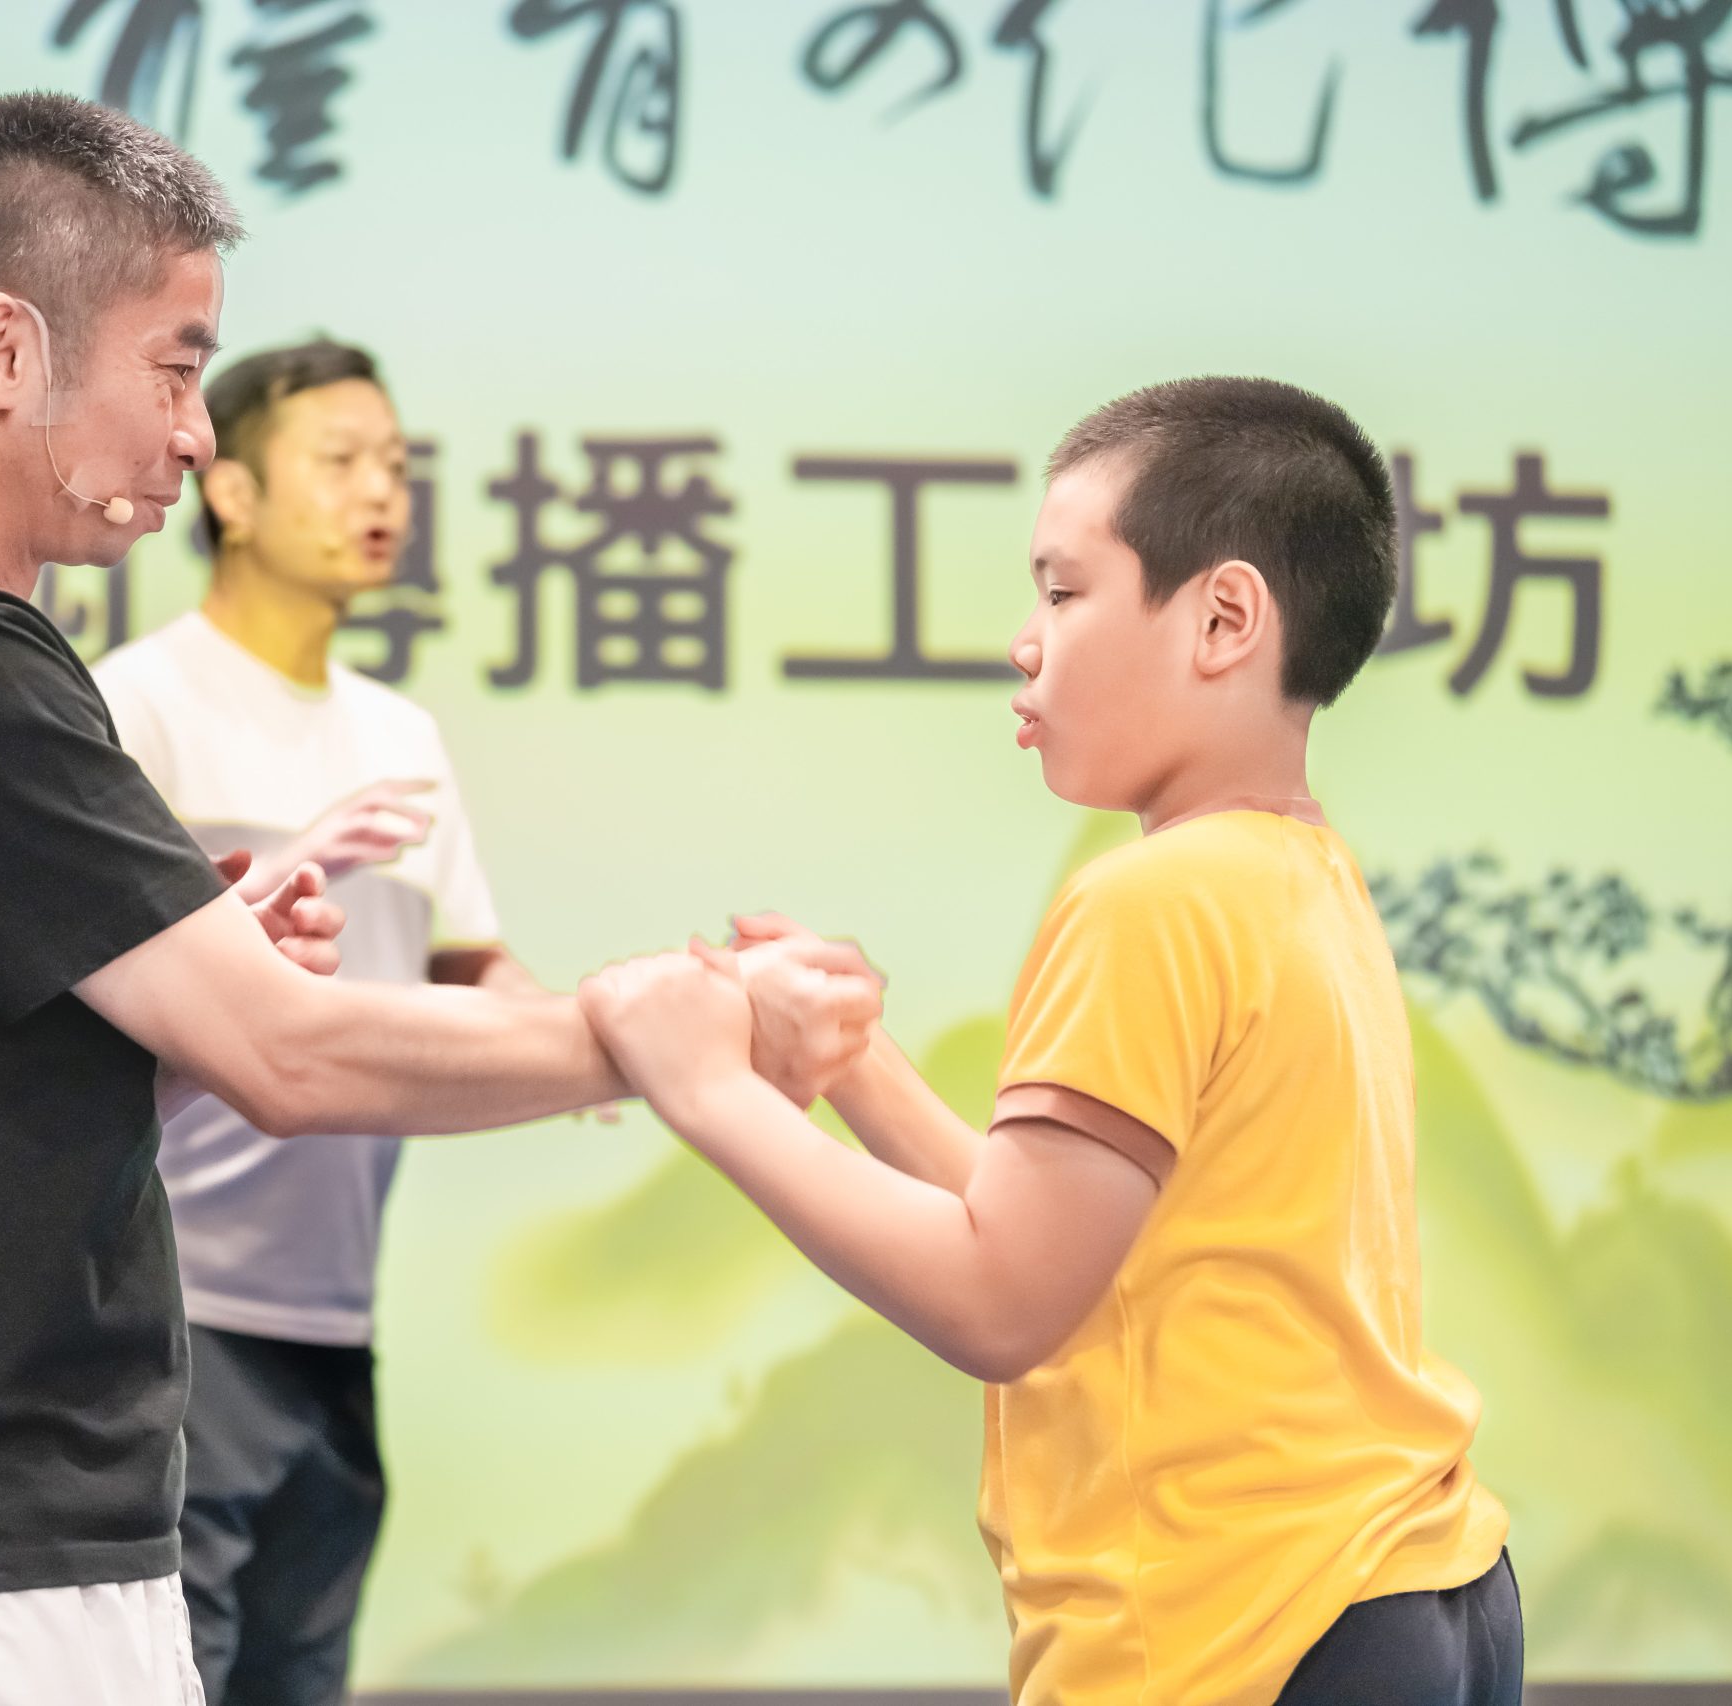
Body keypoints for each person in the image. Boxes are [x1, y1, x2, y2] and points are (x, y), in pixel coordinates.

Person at [0, 93, 878, 1706]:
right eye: (174, 369)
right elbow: (288, 1056)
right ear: (5, 349)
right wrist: (668, 1033)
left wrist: (179, 999)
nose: (194, 436)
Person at [580, 378, 1519, 1706]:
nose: (1026, 645)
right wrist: (856, 1067)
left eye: (1065, 593)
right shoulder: (1297, 876)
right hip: (1409, 1585)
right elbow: (1069, 1242)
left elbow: (1002, 1299)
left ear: (1225, 618)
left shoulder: (1148, 899)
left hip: (1239, 1625)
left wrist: (706, 1089)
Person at [92, 336, 563, 1706]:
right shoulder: (137, 704)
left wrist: (636, 1032)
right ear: (230, 491)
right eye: (341, 460)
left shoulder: (403, 737)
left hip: (334, 1323)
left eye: (397, 465)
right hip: (174, 1317)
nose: (380, 493)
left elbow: (474, 972)